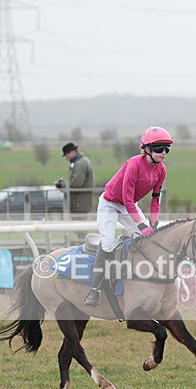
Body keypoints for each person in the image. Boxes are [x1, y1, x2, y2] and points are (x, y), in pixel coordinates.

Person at [83, 126, 173, 307]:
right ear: (147, 149)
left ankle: (135, 279)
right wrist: (141, 225)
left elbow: (156, 199)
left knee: (147, 240)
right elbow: (127, 198)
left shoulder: (161, 170)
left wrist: (153, 223)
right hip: (110, 204)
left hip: (128, 206)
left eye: (166, 149)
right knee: (107, 243)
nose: (163, 152)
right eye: (159, 148)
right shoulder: (133, 164)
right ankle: (95, 289)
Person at [60, 142, 94, 216]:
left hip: (79, 203)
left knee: (78, 224)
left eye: (66, 155)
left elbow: (77, 183)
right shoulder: (81, 161)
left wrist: (63, 184)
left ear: (72, 153)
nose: (66, 158)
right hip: (81, 202)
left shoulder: (80, 163)